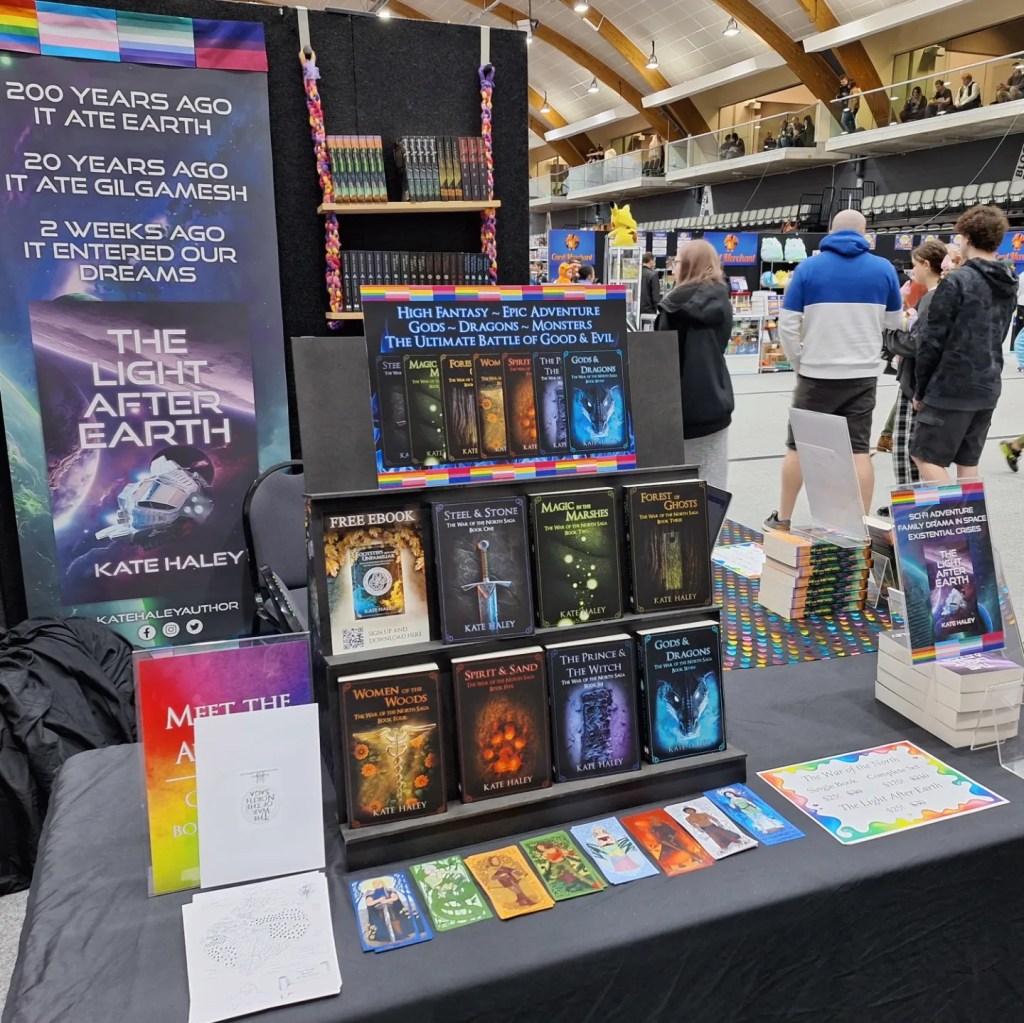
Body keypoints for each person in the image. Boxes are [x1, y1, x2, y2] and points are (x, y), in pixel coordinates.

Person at [764, 210, 902, 531]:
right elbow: (894, 324)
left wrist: (800, 362)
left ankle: (783, 518)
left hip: (815, 376)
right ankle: (861, 522)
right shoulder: (883, 270)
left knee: (797, 447)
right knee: (858, 449)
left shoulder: (807, 269)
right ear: (865, 233)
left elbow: (787, 325)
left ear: (831, 231)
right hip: (863, 376)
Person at [911, 205, 1018, 481]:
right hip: (988, 384)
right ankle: (969, 523)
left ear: (966, 239)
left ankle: (952, 520)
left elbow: (932, 341)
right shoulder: (1009, 280)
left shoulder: (957, 281)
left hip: (951, 385)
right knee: (967, 462)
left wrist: (920, 390)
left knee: (924, 455)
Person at [654, 240, 735, 490]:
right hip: (716, 400)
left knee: (677, 480)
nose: (673, 268)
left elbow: (661, 361)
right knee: (713, 473)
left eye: (676, 262)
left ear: (688, 265)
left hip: (679, 407)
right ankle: (712, 525)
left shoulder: (673, 307)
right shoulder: (722, 298)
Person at [884, 239, 947, 488]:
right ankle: (912, 503)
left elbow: (916, 344)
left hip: (918, 384)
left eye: (914, 266)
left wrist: (889, 334)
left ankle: (916, 507)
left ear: (926, 264)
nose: (912, 272)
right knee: (907, 448)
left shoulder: (934, 299)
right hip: (917, 382)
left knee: (909, 450)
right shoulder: (935, 297)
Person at [640, 251, 660, 317]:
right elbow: (655, 297)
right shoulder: (653, 274)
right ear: (651, 260)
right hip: (649, 311)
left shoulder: (637, 274)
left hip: (638, 311)